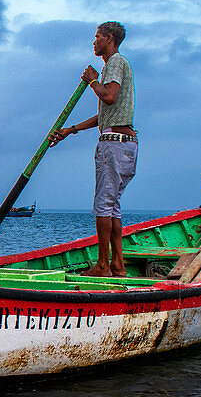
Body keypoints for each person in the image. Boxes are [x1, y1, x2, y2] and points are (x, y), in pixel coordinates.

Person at [49, 21, 136, 277]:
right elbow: (105, 115)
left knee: (102, 205)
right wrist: (71, 130)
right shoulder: (116, 66)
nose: (94, 42)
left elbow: (108, 96)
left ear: (109, 38)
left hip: (114, 145)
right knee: (112, 206)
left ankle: (102, 265)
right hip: (126, 142)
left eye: (97, 37)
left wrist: (92, 80)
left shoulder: (115, 63)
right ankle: (118, 265)